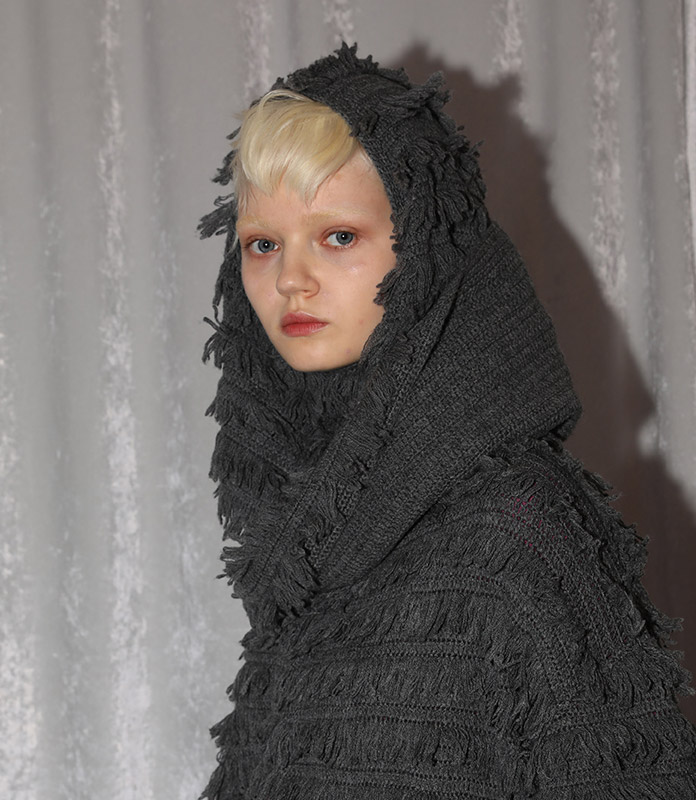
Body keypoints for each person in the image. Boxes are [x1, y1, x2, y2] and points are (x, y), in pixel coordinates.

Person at [199, 44, 696, 799]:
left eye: (338, 236)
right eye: (263, 244)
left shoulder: (518, 529)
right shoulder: (305, 554)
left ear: (425, 246)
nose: (291, 279)